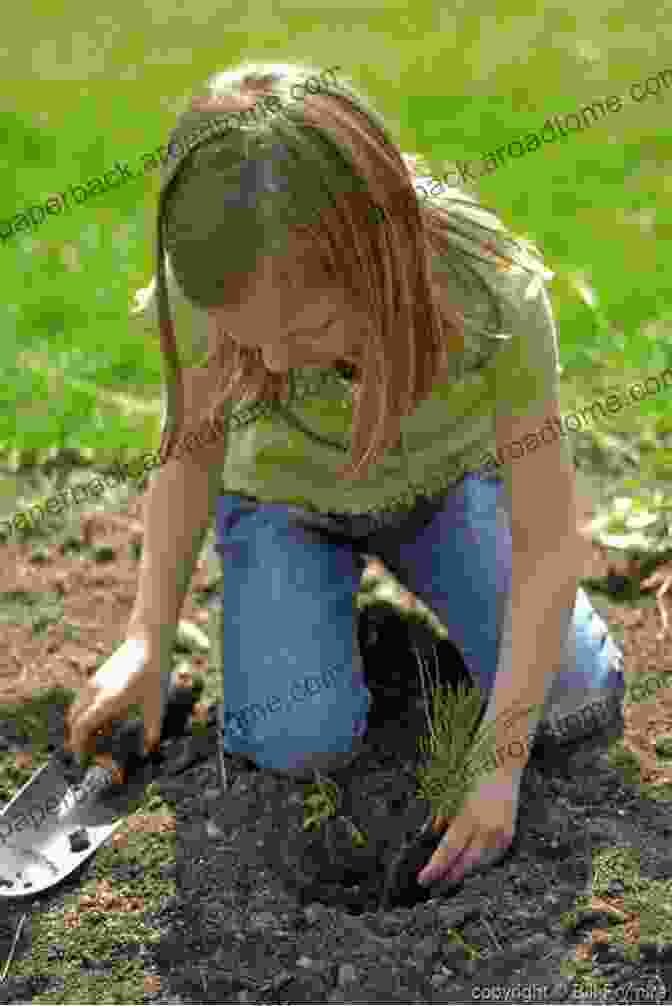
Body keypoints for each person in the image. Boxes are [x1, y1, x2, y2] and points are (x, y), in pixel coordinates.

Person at [66, 60, 625, 890]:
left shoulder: (491, 291)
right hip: (284, 504)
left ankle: (407, 646)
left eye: (307, 326)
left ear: (380, 251)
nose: (276, 359)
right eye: (248, 337)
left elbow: (546, 536)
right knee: (297, 741)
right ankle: (342, 631)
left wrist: (499, 761)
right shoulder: (211, 272)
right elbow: (189, 450)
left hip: (439, 496)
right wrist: (147, 637)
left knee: (574, 701)